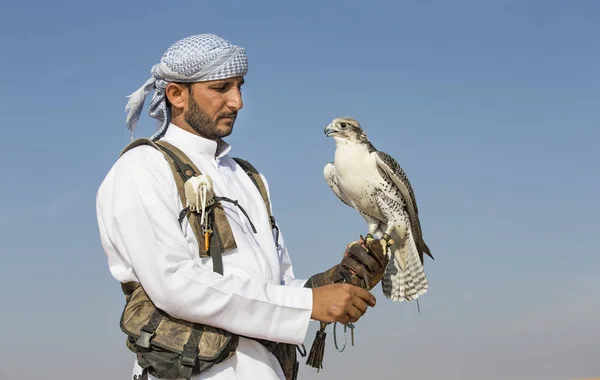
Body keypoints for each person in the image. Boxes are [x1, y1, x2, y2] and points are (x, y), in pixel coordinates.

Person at [96, 33, 389, 380]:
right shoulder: (142, 168)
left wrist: (333, 285)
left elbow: (275, 287)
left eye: (239, 86)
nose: (237, 101)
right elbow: (174, 286)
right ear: (176, 94)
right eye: (221, 88)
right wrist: (308, 304)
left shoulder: (249, 177)